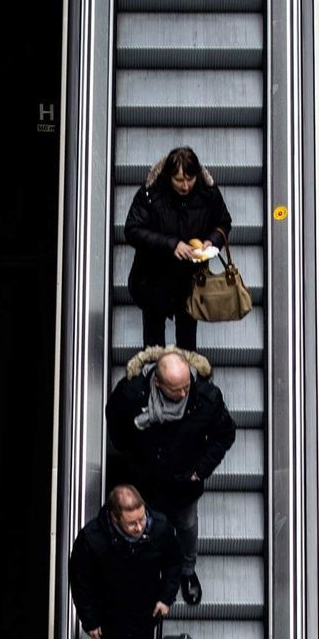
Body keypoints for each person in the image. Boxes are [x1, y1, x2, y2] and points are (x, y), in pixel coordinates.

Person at [106, 347, 235, 605]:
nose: (185, 393)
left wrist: (200, 470)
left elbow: (225, 434)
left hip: (183, 486)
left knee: (187, 528)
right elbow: (116, 426)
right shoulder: (131, 394)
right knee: (144, 528)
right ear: (157, 382)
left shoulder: (205, 398)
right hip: (145, 484)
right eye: (177, 389)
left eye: (187, 385)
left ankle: (187, 571)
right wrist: (133, 458)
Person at [68, 484, 182, 639]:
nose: (140, 527)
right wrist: (90, 620)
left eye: (142, 519)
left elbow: (174, 561)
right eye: (132, 523)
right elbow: (80, 580)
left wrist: (166, 598)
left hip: (145, 609)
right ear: (113, 517)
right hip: (110, 612)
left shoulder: (159, 528)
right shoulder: (92, 539)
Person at [125, 145, 232, 351]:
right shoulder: (151, 194)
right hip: (153, 280)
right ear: (168, 177)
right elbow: (132, 230)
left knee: (188, 344)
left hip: (190, 282)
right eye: (179, 180)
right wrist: (171, 245)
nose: (185, 186)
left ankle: (185, 380)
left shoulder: (208, 193)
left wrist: (212, 240)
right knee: (153, 345)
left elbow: (224, 222)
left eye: (189, 180)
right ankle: (154, 379)